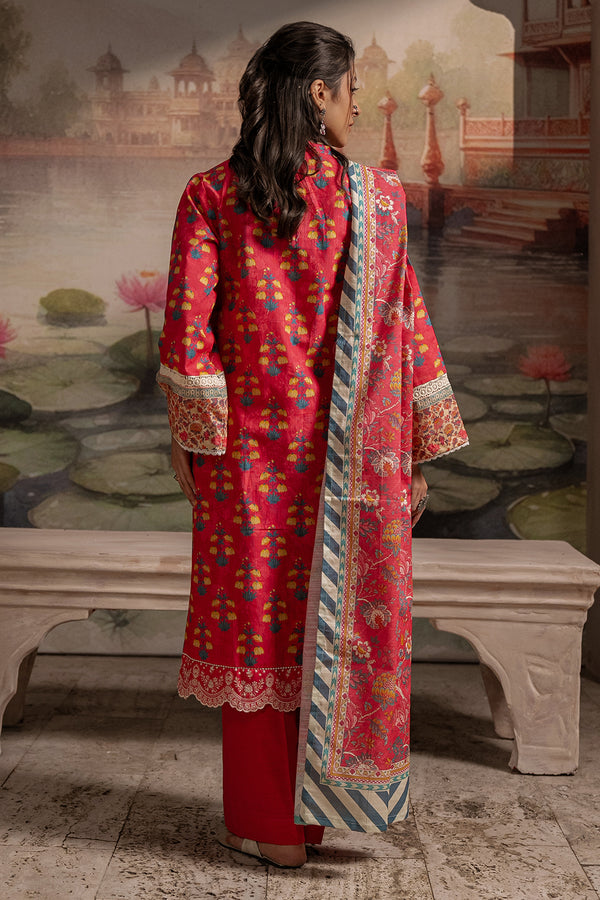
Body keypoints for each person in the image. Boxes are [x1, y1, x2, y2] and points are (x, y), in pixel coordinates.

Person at [158, 21, 468, 869]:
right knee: (325, 632)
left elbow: (189, 334)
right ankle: (315, 816)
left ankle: (272, 828)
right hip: (354, 466)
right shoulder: (379, 199)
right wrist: (412, 451)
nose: (358, 104)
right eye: (351, 88)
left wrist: (192, 440)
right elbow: (406, 326)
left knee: (256, 632)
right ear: (319, 91)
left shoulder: (211, 195)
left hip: (247, 463)